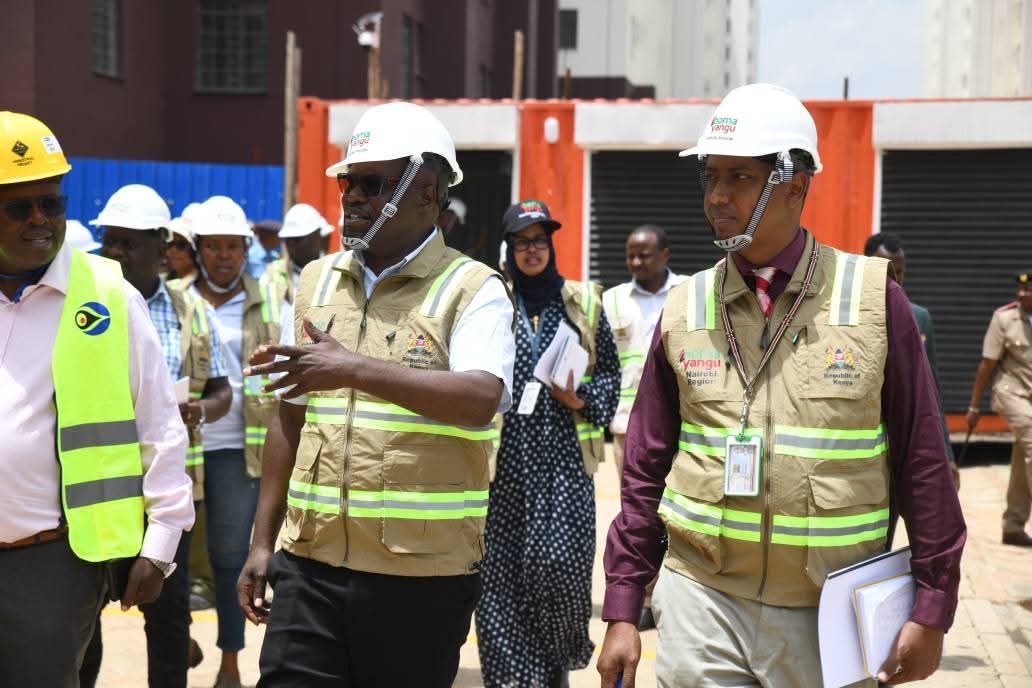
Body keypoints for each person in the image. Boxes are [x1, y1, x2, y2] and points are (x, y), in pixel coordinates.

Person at [596, 84, 966, 688]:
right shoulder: (686, 306)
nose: (717, 196)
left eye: (739, 177)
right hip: (701, 601)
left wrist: (932, 607)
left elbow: (923, 461)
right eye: (710, 176)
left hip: (830, 613)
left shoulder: (874, 302)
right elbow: (645, 469)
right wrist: (622, 607)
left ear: (796, 184)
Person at [236, 101, 515, 687]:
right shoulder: (316, 281)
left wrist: (354, 369)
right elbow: (289, 416)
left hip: (419, 577)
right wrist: (263, 541)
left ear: (427, 190)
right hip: (308, 565)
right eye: (347, 182)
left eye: (370, 183)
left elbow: (480, 396)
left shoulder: (473, 288)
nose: (352, 196)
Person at [0, 111, 193, 686]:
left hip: (51, 563)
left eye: (51, 203)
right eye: (19, 207)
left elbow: (159, 426)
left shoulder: (108, 295)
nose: (40, 220)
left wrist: (160, 544)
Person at [79, 183, 232, 688]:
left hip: (167, 493)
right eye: (111, 242)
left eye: (129, 243)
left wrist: (197, 411)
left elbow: (223, 392)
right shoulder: (82, 309)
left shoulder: (193, 313)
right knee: (85, 628)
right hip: (96, 493)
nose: (117, 253)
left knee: (167, 622)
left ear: (162, 245)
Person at [476, 200, 619, 688]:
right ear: (508, 248)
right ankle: (513, 681)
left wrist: (581, 397)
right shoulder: (491, 301)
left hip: (563, 466)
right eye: (522, 241)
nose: (532, 250)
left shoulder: (583, 303)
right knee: (499, 579)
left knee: (556, 572)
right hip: (504, 467)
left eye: (539, 240)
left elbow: (612, 378)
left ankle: (553, 671)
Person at [183, 195, 281, 688]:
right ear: (198, 249)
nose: (224, 256)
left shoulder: (267, 302)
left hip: (239, 450)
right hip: (182, 447)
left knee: (227, 558)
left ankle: (229, 662)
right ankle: (177, 632)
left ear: (245, 250)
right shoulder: (177, 298)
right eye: (214, 247)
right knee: (169, 553)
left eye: (233, 247)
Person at [863, 232, 959, 489]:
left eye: (900, 273)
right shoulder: (844, 317)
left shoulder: (919, 319)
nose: (894, 281)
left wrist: (947, 455)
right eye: (885, 271)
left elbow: (931, 392)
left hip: (899, 452)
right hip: (858, 456)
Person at [603, 225, 685, 480]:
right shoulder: (611, 300)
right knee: (633, 503)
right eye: (631, 255)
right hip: (628, 422)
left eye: (644, 255)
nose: (636, 262)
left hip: (681, 418)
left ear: (665, 255)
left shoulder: (689, 291)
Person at [966, 270, 1032, 547]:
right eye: (1019, 289)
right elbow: (987, 365)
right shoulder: (1004, 318)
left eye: (1027, 290)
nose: (1021, 293)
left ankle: (1013, 526)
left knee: (1021, 453)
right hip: (1010, 393)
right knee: (1031, 435)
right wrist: (973, 405)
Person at [262, 202, 331, 307]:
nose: (291, 244)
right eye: (288, 239)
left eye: (297, 239)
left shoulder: (335, 272)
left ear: (317, 236)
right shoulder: (272, 274)